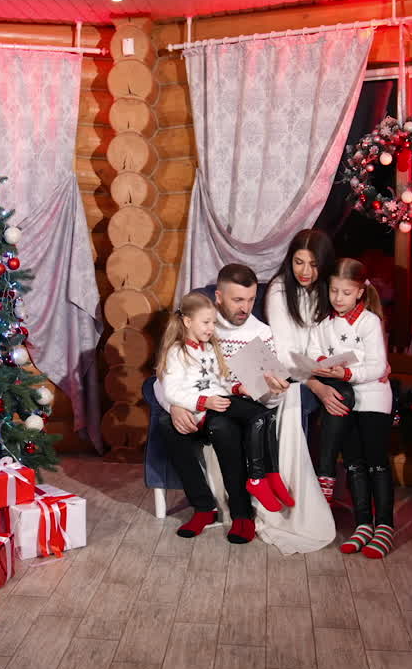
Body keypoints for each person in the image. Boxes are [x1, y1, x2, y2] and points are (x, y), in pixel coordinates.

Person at [155, 291, 282, 543]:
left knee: (260, 417)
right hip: (201, 408)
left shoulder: (211, 348)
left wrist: (238, 389)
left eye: (213, 323)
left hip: (217, 404)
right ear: (188, 322)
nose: (212, 328)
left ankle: (258, 485)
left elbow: (219, 381)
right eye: (207, 323)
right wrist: (203, 402)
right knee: (169, 428)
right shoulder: (176, 352)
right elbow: (171, 389)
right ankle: (204, 508)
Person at [308, 258, 396, 558]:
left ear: (360, 292)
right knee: (355, 463)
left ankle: (384, 525)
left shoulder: (369, 322)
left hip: (373, 398)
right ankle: (362, 525)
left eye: (346, 292)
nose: (338, 298)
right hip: (346, 400)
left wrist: (346, 373)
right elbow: (312, 356)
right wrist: (323, 368)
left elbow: (377, 366)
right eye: (334, 291)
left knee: (376, 461)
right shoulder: (323, 326)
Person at [265, 229, 351, 506]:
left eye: (314, 264)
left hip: (320, 368)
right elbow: (286, 354)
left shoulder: (329, 290)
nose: (305, 271)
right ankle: (301, 486)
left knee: (346, 395)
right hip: (290, 372)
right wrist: (315, 385)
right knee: (305, 398)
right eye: (298, 262)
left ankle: (326, 479)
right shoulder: (279, 289)